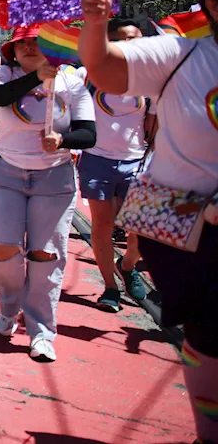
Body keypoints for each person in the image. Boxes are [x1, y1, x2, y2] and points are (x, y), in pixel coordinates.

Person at [80, 0, 218, 444]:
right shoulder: (180, 54)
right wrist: (95, 25)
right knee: (209, 335)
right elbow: (102, 68)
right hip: (189, 226)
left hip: (142, 173)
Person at [0, 25, 96, 363]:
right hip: (6, 173)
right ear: (13, 51)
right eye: (23, 44)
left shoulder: (71, 80)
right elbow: (0, 98)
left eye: (38, 42)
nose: (30, 48)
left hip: (55, 178)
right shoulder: (3, 74)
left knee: (46, 255)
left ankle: (42, 332)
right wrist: (36, 77)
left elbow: (88, 134)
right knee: (3, 249)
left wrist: (62, 141)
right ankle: (9, 307)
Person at [77, 16, 153, 313]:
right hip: (97, 160)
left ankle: (128, 263)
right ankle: (110, 287)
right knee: (103, 226)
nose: (127, 46)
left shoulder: (151, 77)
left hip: (137, 161)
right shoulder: (89, 75)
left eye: (133, 40)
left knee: (141, 231)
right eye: (120, 40)